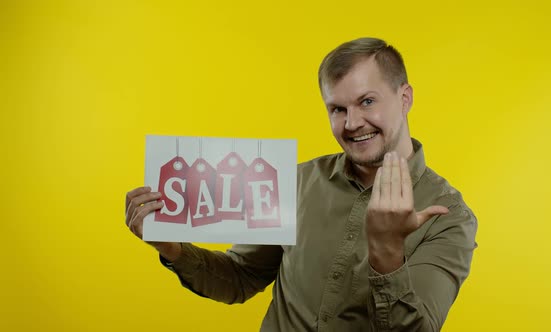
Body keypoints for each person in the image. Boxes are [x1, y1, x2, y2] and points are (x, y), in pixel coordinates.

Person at [125, 37, 477, 331]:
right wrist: (172, 248)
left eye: (366, 101)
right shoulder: (296, 181)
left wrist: (386, 253)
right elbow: (240, 278)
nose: (352, 123)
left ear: (405, 98)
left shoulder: (449, 216)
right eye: (337, 109)